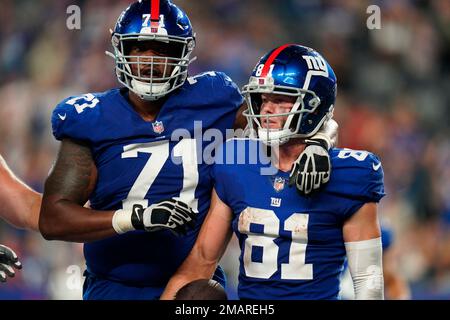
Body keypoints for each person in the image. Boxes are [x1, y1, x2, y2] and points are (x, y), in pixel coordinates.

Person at [24, 0, 337, 300]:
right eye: (139, 48)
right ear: (120, 51)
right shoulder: (90, 116)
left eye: (162, 50)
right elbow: (53, 220)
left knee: (204, 296)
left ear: (184, 55)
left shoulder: (214, 97)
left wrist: (319, 142)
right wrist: (133, 219)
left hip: (195, 280)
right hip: (116, 284)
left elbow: (285, 125)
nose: (149, 60)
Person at [161, 44, 385, 300]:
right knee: (198, 297)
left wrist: (321, 140)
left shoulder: (350, 173)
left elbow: (369, 282)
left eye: (279, 99)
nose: (266, 109)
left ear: (314, 106)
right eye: (263, 99)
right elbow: (201, 260)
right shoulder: (235, 161)